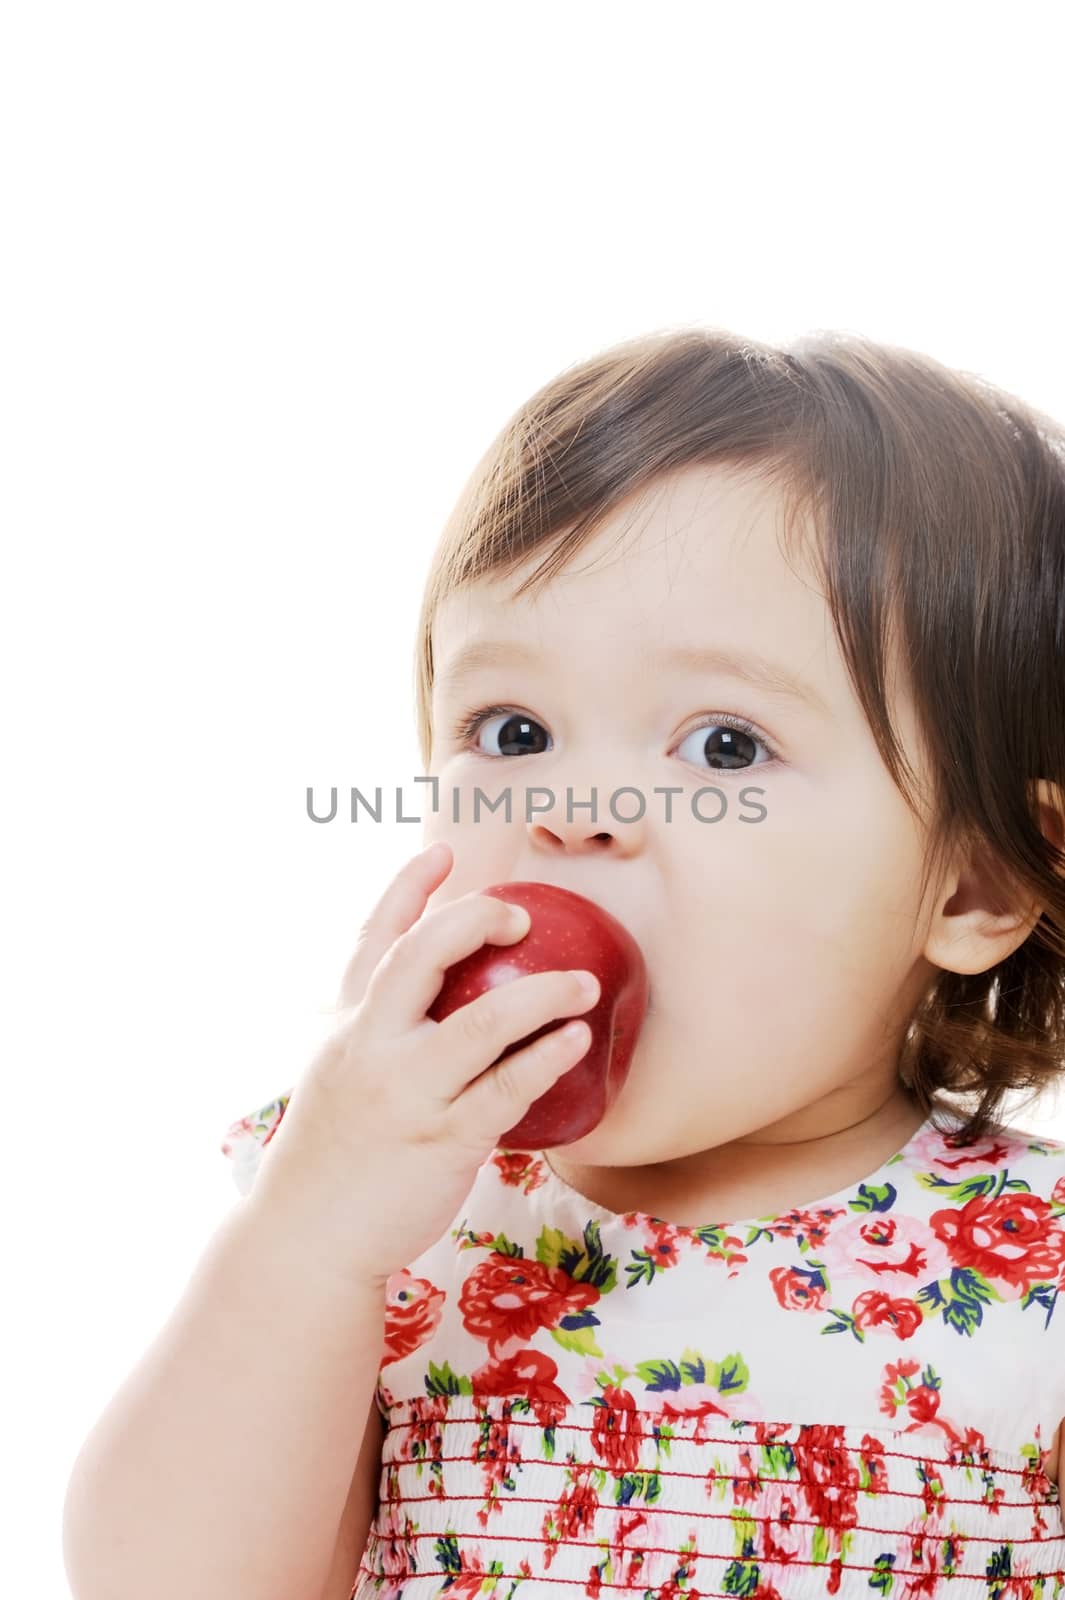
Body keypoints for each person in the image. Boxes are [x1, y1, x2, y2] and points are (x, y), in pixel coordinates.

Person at [64, 327, 1065, 1600]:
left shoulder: (1033, 1271)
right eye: (515, 730)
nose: (575, 807)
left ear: (975, 882)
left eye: (722, 748)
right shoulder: (386, 1233)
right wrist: (311, 1239)